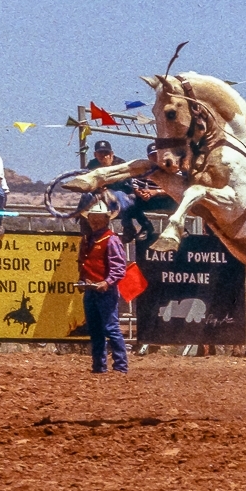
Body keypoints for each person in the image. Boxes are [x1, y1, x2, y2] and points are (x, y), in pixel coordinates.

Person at [78, 200, 128, 374]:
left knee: (110, 327)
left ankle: (120, 366)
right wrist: (82, 280)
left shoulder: (111, 239)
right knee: (96, 329)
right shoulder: (88, 240)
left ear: (106, 220)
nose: (95, 222)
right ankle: (99, 366)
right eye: (93, 218)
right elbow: (83, 264)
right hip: (91, 289)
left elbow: (119, 268)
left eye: (98, 219)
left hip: (105, 290)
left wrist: (106, 282)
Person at [122, 141, 176, 245]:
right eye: (152, 155)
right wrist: (140, 193)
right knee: (130, 202)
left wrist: (156, 192)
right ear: (148, 156)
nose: (155, 157)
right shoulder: (143, 169)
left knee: (178, 198)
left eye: (157, 154)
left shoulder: (170, 167)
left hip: (166, 198)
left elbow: (176, 188)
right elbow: (135, 185)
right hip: (149, 200)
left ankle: (178, 228)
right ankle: (146, 227)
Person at [86, 139, 139, 240]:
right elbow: (86, 180)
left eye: (106, 153)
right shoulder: (92, 165)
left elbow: (126, 184)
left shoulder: (121, 164)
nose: (103, 156)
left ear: (111, 154)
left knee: (119, 196)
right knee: (86, 197)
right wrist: (99, 188)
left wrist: (107, 186)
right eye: (100, 153)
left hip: (123, 195)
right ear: (95, 154)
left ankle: (128, 228)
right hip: (101, 194)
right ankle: (86, 229)